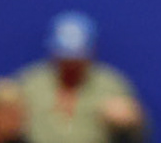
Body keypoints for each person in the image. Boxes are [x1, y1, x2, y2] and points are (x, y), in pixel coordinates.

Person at [9, 11, 148, 143]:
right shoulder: (30, 83)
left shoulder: (111, 85)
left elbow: (140, 130)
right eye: (65, 59)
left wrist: (131, 122)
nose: (71, 66)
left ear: (91, 53)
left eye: (77, 59)